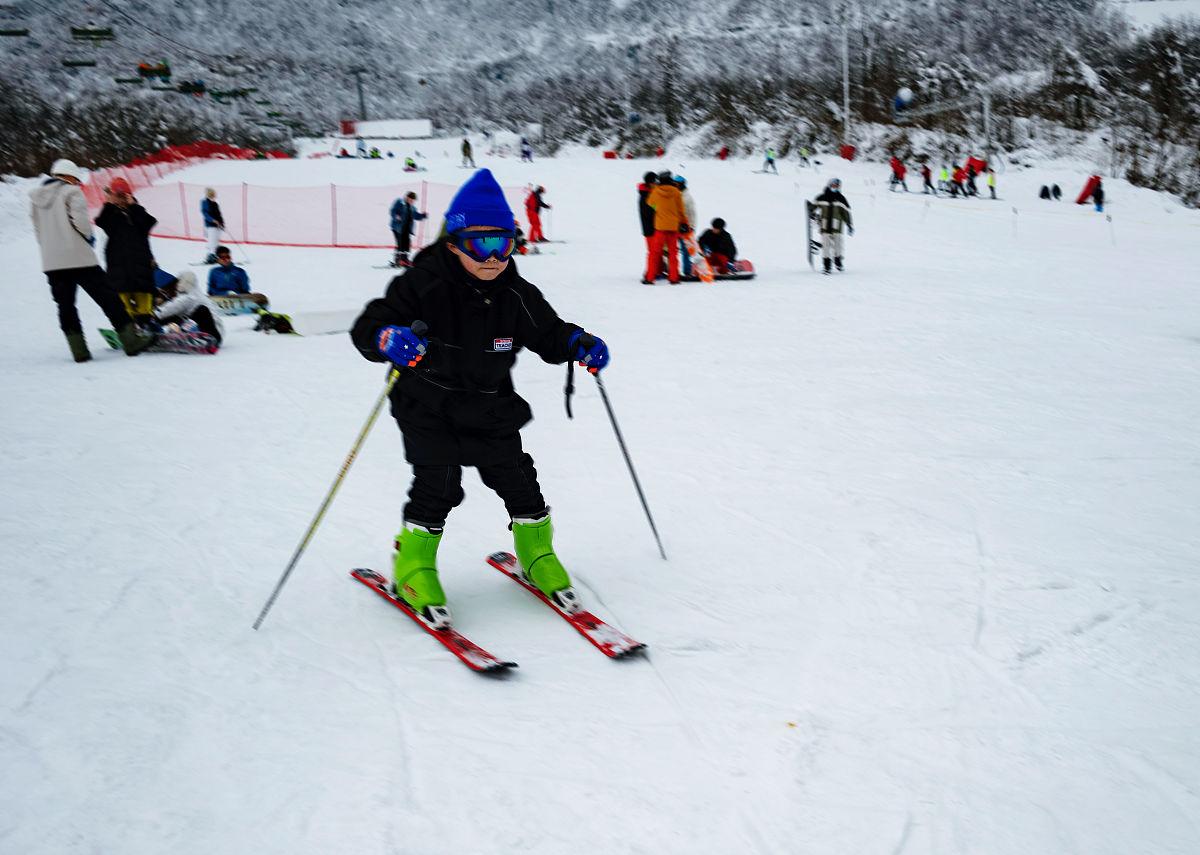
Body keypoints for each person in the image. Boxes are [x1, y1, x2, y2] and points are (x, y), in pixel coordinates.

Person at [348, 168, 610, 624]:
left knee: (518, 479)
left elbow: (547, 333)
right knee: (441, 484)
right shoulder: (421, 284)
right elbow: (369, 326)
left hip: (490, 401)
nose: (493, 257)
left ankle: (536, 554)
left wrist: (577, 342)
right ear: (453, 243)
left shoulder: (515, 292)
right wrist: (387, 337)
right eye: (480, 244)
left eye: (504, 244)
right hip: (427, 401)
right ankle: (413, 565)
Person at [29, 158, 152, 361]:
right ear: (68, 176)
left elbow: (38, 231)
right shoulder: (72, 192)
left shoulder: (35, 198)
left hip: (52, 262)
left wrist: (52, 249)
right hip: (79, 258)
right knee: (109, 298)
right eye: (76, 179)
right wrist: (88, 238)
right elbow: (82, 225)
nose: (77, 183)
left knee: (66, 306)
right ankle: (131, 341)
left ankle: (79, 351)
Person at [95, 177, 158, 319]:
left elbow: (148, 223)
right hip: (119, 271)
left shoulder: (137, 213)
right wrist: (109, 204)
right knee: (123, 309)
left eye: (124, 195)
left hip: (141, 269)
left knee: (145, 309)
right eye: (118, 196)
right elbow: (102, 222)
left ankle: (146, 328)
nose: (121, 199)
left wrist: (134, 206)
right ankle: (129, 333)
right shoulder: (110, 215)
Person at [153, 268, 224, 347]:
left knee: (201, 310)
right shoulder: (191, 293)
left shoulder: (188, 296)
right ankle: (156, 329)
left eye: (165, 291)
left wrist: (153, 315)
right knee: (176, 317)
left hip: (213, 334)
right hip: (205, 329)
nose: (166, 294)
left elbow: (168, 309)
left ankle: (182, 332)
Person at [643, 169, 687, 285]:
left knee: (654, 254)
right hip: (673, 228)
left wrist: (660, 208)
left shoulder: (656, 192)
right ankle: (674, 278)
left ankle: (650, 278)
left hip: (660, 227)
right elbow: (681, 210)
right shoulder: (677, 192)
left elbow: (650, 204)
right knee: (673, 254)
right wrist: (684, 223)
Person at [811, 177, 853, 274]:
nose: (835, 187)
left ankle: (838, 261)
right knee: (826, 247)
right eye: (834, 185)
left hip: (836, 228)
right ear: (829, 185)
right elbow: (813, 206)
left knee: (838, 246)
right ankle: (827, 266)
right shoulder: (821, 197)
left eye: (837, 186)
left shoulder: (841, 198)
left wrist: (849, 225)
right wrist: (811, 211)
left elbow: (846, 213)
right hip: (825, 226)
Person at [390, 190, 428, 267]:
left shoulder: (412, 208)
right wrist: (396, 216)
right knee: (400, 243)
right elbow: (393, 211)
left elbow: (416, 216)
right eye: (410, 199)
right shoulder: (400, 202)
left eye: (413, 200)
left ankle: (405, 259)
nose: (411, 201)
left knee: (407, 244)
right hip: (398, 228)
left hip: (407, 229)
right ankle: (398, 259)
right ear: (407, 197)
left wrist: (422, 215)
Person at [675, 175, 697, 278]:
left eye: (676, 184)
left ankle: (687, 272)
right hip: (675, 227)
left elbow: (692, 213)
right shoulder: (677, 194)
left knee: (685, 250)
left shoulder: (687, 197)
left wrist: (692, 226)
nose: (674, 185)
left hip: (685, 228)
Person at [200, 188, 224, 264]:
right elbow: (205, 214)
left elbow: (219, 214)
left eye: (213, 194)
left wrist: (222, 223)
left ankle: (215, 256)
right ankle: (210, 257)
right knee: (212, 241)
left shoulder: (215, 203)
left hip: (218, 226)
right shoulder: (204, 202)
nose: (213, 196)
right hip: (210, 225)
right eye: (211, 194)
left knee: (216, 241)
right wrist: (212, 220)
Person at [637, 171, 658, 258]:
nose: (657, 184)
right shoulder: (646, 196)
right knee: (653, 251)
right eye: (655, 182)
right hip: (650, 229)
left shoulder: (649, 193)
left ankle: (657, 269)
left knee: (656, 251)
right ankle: (651, 270)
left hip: (653, 227)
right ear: (650, 183)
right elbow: (651, 212)